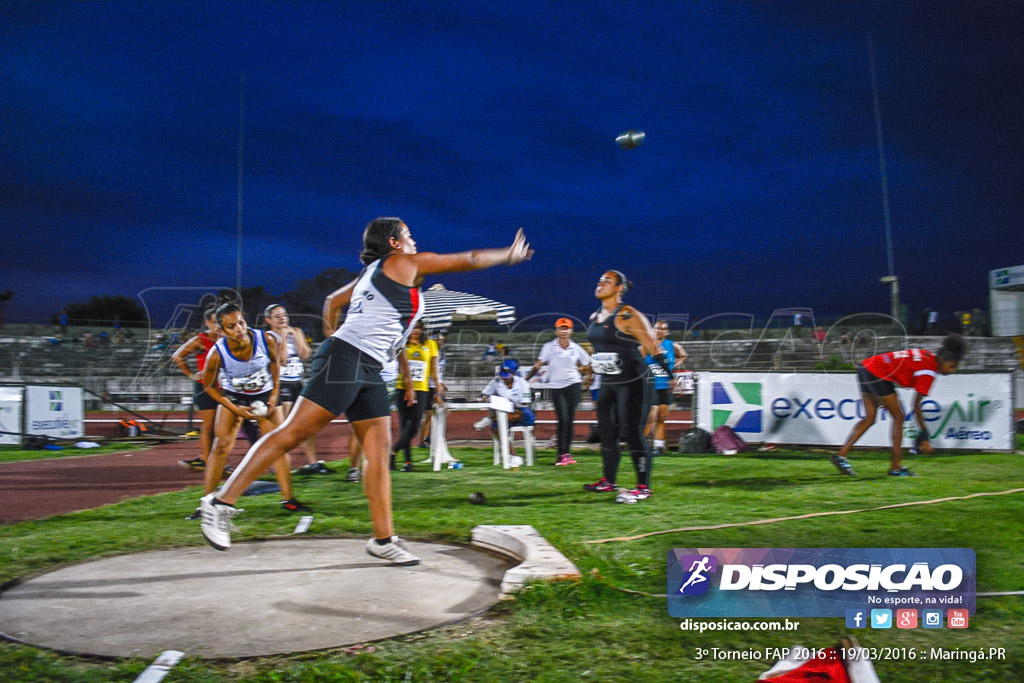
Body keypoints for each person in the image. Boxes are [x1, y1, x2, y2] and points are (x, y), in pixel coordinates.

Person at [199, 217, 532, 566]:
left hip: (369, 366)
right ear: (393, 242)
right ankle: (220, 503)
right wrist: (506, 255)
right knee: (293, 432)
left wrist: (332, 336)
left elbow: (331, 301)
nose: (414, 241)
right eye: (408, 235)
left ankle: (383, 540)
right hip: (348, 357)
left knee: (378, 453)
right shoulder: (400, 263)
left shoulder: (372, 274)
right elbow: (470, 258)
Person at [198, 303, 307, 515]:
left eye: (241, 322)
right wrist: (235, 409)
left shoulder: (265, 340)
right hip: (234, 397)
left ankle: (288, 499)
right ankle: (206, 504)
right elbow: (210, 387)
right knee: (220, 446)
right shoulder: (217, 354)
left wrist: (274, 394)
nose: (239, 329)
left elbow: (275, 364)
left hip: (264, 395)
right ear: (221, 330)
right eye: (231, 326)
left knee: (278, 445)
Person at [583, 270, 672, 504]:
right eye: (599, 279)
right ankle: (608, 481)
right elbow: (598, 350)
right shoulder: (596, 316)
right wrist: (591, 372)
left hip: (633, 381)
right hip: (608, 382)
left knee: (632, 433)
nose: (600, 283)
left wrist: (670, 376)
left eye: (607, 281)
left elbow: (653, 347)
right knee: (607, 433)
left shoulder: (628, 315)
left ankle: (643, 486)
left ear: (619, 288)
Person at [832, 334, 966, 477]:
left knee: (870, 418)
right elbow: (915, 405)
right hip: (878, 374)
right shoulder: (929, 371)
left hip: (865, 367)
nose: (951, 371)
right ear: (943, 359)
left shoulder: (926, 355)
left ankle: (841, 455)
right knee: (899, 418)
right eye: (951, 366)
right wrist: (924, 433)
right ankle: (895, 468)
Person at [263, 304, 328, 476]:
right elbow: (281, 360)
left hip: (297, 382)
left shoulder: (295, 331)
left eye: (284, 315)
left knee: (306, 424)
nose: (282, 318)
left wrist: (296, 335)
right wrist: (283, 338)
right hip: (281, 384)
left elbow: (305, 354)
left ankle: (314, 463)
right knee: (284, 427)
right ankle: (277, 463)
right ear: (268, 320)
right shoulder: (269, 337)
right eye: (277, 316)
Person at [525, 318, 590, 466]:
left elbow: (588, 364)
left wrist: (581, 373)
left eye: (567, 328)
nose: (564, 331)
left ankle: (566, 453)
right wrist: (526, 378)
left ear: (571, 331)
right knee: (563, 418)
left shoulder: (576, 348)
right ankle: (561, 453)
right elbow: (538, 364)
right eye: (561, 328)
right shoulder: (549, 347)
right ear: (556, 331)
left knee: (570, 419)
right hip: (556, 387)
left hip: (573, 384)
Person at [171, 308, 221, 473]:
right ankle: (208, 461)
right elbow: (177, 356)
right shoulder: (201, 340)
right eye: (214, 322)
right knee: (209, 426)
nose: (218, 325)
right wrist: (192, 375)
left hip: (225, 388)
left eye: (220, 321)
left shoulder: (227, 338)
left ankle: (209, 457)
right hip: (205, 387)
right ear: (207, 322)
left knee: (222, 428)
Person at [393, 321, 440, 472]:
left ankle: (392, 452)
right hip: (403, 388)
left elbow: (433, 367)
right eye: (412, 328)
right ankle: (408, 462)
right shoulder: (401, 343)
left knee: (414, 425)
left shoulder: (430, 344)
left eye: (418, 328)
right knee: (404, 425)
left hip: (421, 389)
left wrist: (438, 384)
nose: (415, 331)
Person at [481, 362, 535, 459]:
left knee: (520, 413)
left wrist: (512, 404)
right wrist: (486, 397)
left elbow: (525, 403)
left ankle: (491, 419)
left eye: (507, 376)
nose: (505, 379)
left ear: (514, 373)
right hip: (504, 411)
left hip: (520, 411)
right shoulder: (496, 381)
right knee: (495, 427)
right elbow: (485, 393)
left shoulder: (522, 383)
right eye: (503, 376)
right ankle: (512, 455)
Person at [643, 321, 678, 456]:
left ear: (667, 332)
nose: (660, 331)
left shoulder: (671, 345)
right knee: (651, 416)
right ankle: (642, 445)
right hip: (651, 385)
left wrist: (673, 368)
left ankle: (659, 446)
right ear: (653, 330)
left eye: (663, 329)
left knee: (662, 417)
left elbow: (682, 356)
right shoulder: (647, 344)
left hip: (666, 385)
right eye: (657, 328)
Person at [418, 330, 448, 449]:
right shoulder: (429, 350)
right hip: (429, 386)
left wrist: (441, 382)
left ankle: (431, 437)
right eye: (438, 340)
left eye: (441, 340)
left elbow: (438, 370)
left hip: (435, 385)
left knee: (439, 412)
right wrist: (437, 384)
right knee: (429, 414)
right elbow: (431, 369)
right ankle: (423, 439)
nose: (440, 342)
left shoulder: (439, 353)